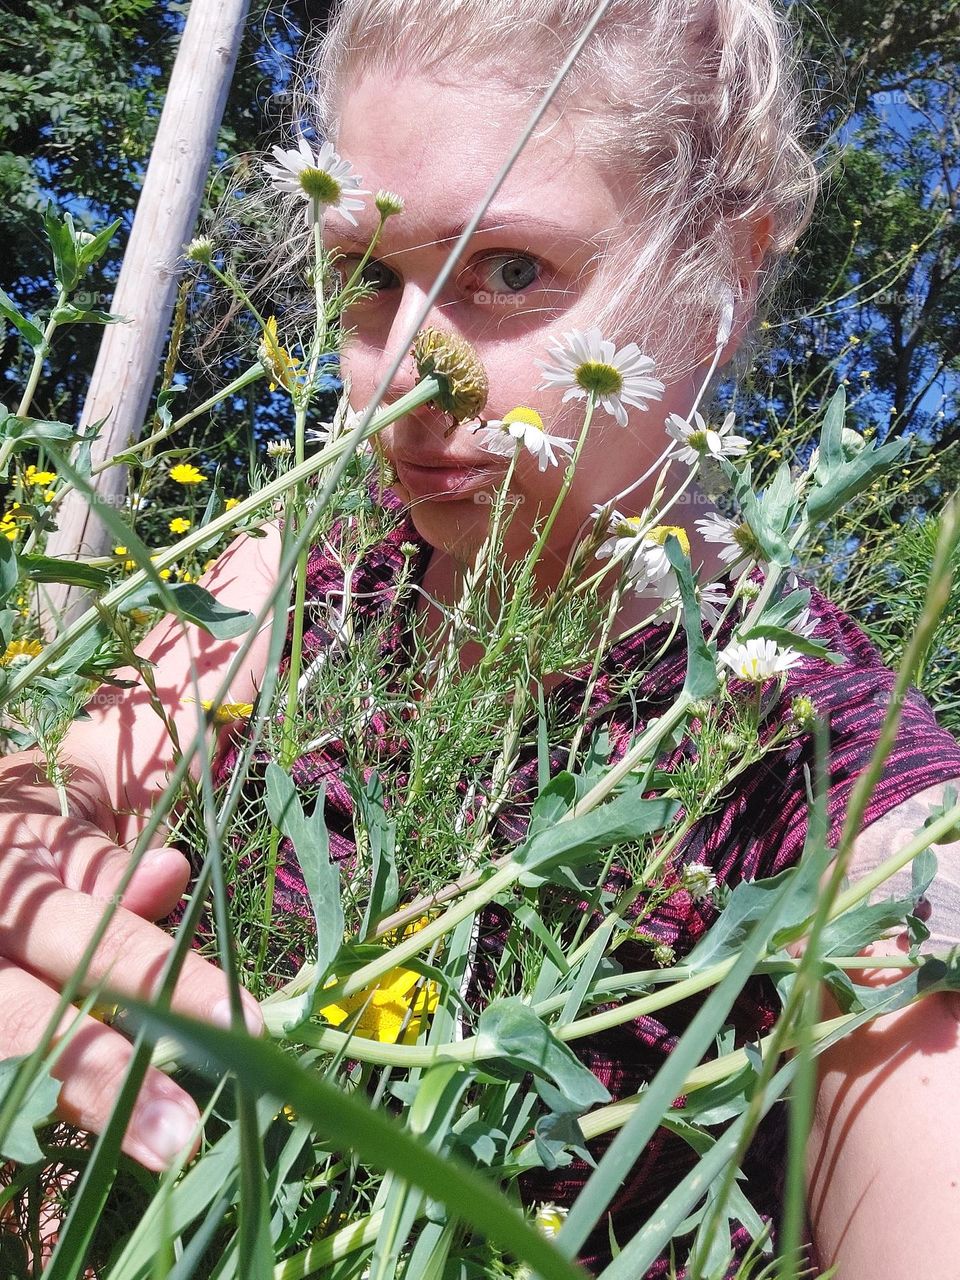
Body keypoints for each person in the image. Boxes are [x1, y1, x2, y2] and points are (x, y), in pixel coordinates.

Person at [2, 0, 960, 1273]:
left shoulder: (843, 800)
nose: (403, 371)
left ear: (727, 275)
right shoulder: (274, 595)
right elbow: (50, 802)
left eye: (512, 271)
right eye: (368, 275)